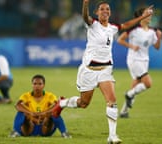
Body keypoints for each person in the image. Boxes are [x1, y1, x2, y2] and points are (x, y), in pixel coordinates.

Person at [52, 0, 154, 143]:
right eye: (102, 9)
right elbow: (85, 17)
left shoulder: (112, 27)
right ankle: (62, 103)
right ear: (97, 12)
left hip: (105, 70)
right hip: (89, 71)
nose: (105, 11)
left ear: (110, 12)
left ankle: (112, 136)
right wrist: (85, 4)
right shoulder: (93, 24)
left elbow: (125, 25)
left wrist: (143, 17)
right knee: (84, 103)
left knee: (112, 101)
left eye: (107, 9)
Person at [117, 7, 162, 118]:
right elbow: (120, 40)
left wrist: (159, 37)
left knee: (136, 85)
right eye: (148, 14)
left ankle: (124, 111)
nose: (150, 16)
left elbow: (157, 47)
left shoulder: (152, 31)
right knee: (148, 83)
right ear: (142, 16)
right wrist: (132, 46)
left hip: (144, 61)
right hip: (134, 59)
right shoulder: (134, 29)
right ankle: (128, 94)